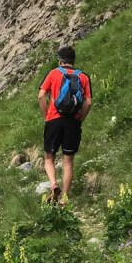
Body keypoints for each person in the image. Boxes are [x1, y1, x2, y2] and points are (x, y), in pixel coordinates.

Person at [38, 45, 92, 205]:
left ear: (60, 61)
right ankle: (65, 199)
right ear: (73, 61)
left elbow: (41, 96)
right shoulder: (83, 77)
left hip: (54, 120)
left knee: (49, 158)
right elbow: (88, 102)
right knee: (68, 162)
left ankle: (54, 184)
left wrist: (46, 116)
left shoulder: (53, 73)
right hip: (73, 122)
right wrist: (79, 119)